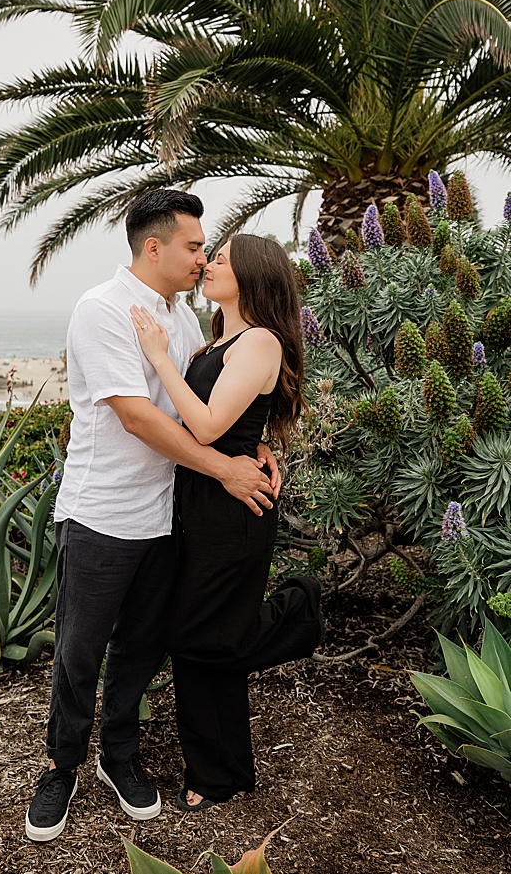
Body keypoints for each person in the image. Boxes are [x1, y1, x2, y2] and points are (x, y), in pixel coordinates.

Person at [26, 189, 281, 843]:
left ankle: (119, 756)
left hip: (168, 518)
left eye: (207, 250)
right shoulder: (103, 310)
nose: (202, 258)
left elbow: (215, 405)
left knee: (139, 649)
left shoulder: (185, 323)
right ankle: (61, 766)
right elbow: (138, 416)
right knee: (80, 652)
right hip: (101, 516)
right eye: (196, 247)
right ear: (154, 246)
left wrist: (255, 447)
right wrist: (226, 469)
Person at [130, 233, 322, 811]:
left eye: (222, 260)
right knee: (203, 639)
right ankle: (222, 772)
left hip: (234, 510)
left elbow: (209, 427)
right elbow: (235, 423)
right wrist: (263, 444)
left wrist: (160, 356)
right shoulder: (221, 339)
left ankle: (301, 611)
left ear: (254, 276)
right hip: (205, 500)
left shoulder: (260, 341)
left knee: (196, 635)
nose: (209, 264)